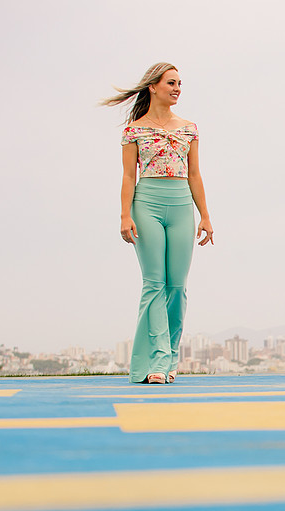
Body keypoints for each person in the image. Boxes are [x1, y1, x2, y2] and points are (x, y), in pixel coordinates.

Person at [102, 62, 214, 384]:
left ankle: (171, 359)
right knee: (154, 283)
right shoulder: (133, 130)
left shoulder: (190, 128)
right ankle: (156, 362)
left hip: (181, 206)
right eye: (171, 83)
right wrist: (125, 215)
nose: (177, 88)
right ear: (153, 87)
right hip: (146, 203)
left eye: (180, 83)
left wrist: (205, 215)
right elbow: (128, 176)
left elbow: (195, 174)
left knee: (176, 286)